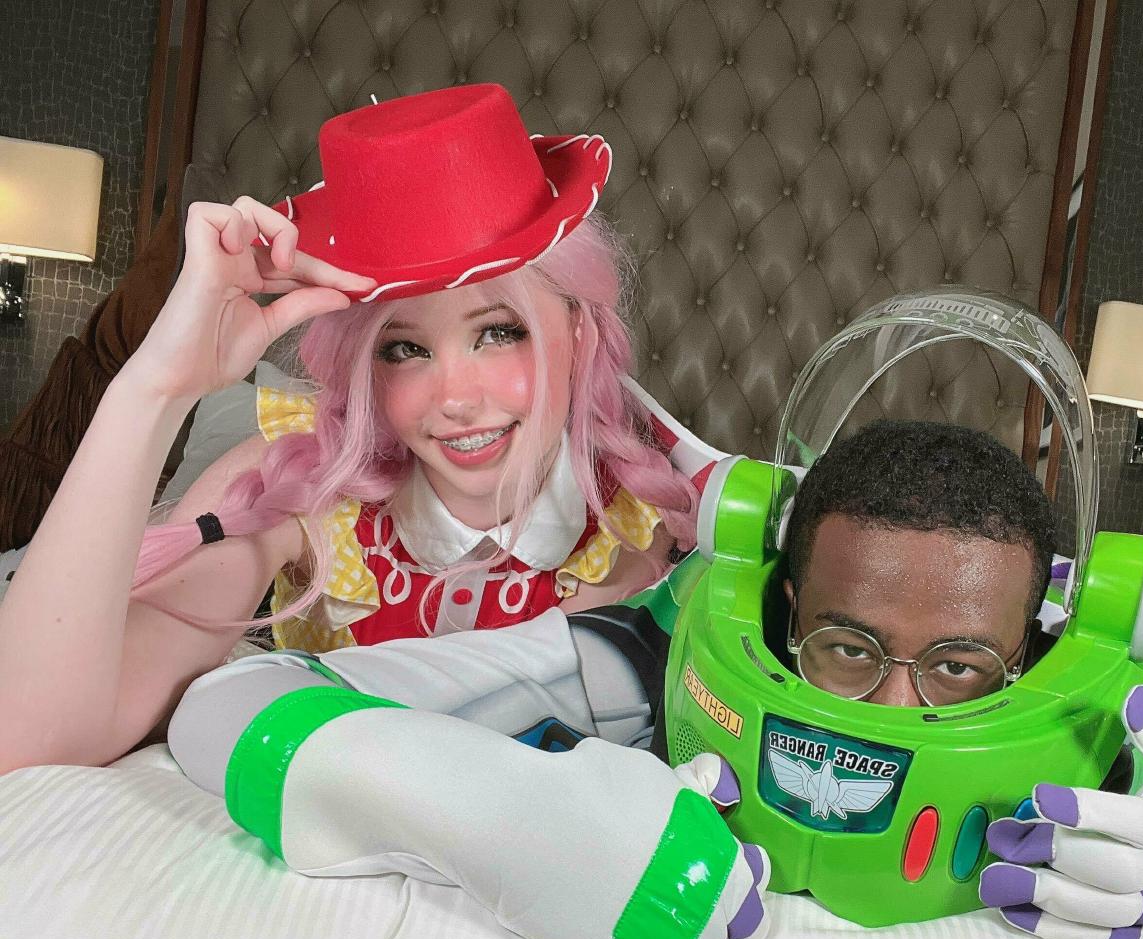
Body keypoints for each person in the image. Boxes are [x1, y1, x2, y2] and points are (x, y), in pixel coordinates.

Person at [170, 417, 1143, 939]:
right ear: (778, 603)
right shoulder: (645, 659)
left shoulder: (1134, 724)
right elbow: (228, 702)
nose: (894, 704)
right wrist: (494, 818)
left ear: (1033, 647)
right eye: (846, 646)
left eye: (959, 667)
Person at [0, 83, 718, 774]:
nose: (454, 399)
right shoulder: (295, 491)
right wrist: (156, 387)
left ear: (580, 330)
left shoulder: (650, 526)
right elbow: (30, 738)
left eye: (499, 333)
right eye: (403, 349)